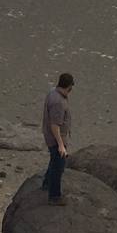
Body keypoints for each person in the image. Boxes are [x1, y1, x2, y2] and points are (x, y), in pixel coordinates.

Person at [41, 72, 74, 205]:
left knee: (54, 161)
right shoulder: (58, 102)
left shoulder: (52, 93)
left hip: (51, 136)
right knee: (58, 167)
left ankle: (46, 183)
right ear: (69, 87)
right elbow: (55, 125)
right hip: (55, 139)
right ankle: (54, 197)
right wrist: (60, 145)